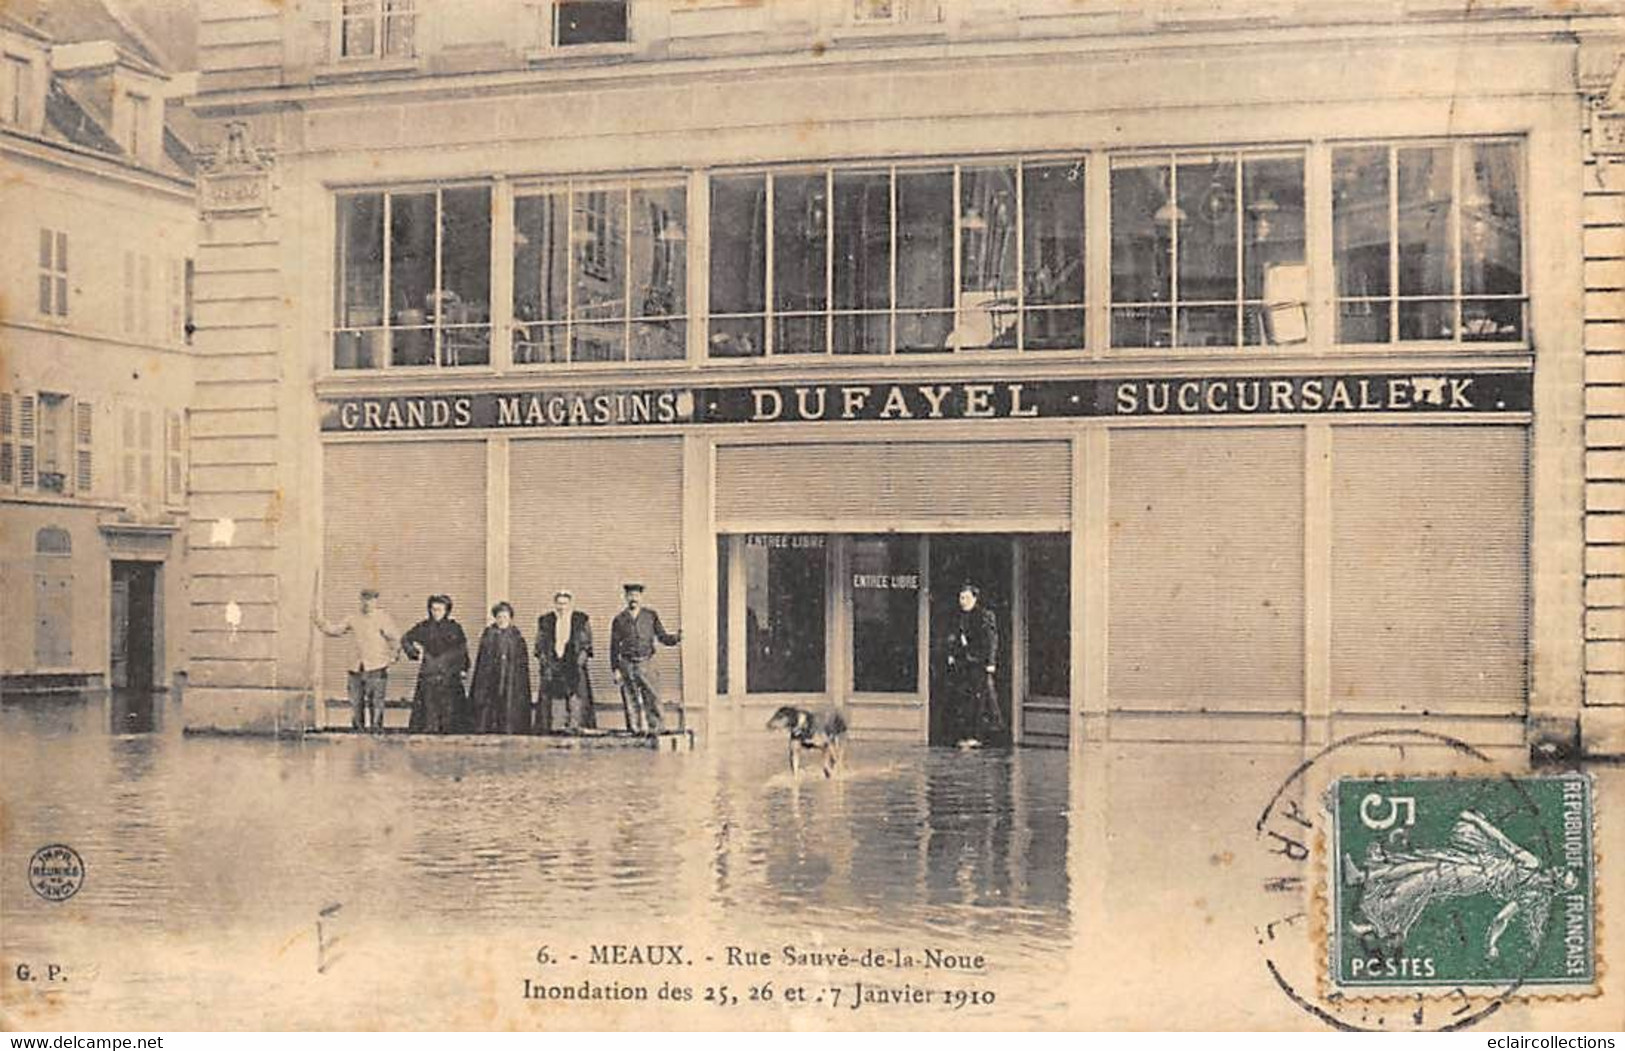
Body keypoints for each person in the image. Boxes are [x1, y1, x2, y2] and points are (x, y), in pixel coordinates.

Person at [314, 587, 401, 732]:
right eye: (364, 599)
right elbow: (335, 630)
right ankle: (358, 731)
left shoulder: (383, 618)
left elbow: (395, 639)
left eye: (371, 600)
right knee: (356, 702)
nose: (367, 603)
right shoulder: (352, 618)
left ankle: (376, 731)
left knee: (376, 702)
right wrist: (320, 622)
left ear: (376, 601)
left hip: (377, 666)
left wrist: (394, 656)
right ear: (360, 600)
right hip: (356, 667)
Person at [609, 583, 681, 734]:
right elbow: (614, 646)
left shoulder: (650, 616)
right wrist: (615, 669)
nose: (633, 599)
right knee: (630, 699)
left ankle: (656, 729)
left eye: (636, 596)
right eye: (630, 596)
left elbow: (662, 637)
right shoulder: (619, 619)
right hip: (627, 664)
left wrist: (676, 638)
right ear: (625, 597)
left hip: (647, 662)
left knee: (652, 697)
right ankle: (635, 730)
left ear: (641, 597)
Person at [943, 582, 1004, 748]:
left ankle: (979, 735)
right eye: (961, 597)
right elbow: (953, 638)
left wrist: (991, 662)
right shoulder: (958, 617)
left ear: (975, 598)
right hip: (963, 664)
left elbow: (992, 640)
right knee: (964, 699)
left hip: (979, 664)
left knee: (980, 701)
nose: (962, 601)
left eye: (966, 597)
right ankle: (967, 734)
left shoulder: (985, 615)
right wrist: (952, 655)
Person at [401, 594, 469, 734]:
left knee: (451, 707)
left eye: (439, 609)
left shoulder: (454, 628)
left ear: (446, 611)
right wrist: (413, 652)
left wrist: (464, 668)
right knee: (428, 705)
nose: (436, 613)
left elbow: (462, 649)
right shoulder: (424, 627)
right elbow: (406, 638)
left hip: (449, 672)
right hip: (430, 672)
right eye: (433, 609)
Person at [536, 590, 595, 733]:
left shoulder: (581, 619)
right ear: (555, 604)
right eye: (559, 603)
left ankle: (576, 725)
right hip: (554, 661)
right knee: (556, 694)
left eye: (565, 604)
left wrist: (580, 662)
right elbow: (540, 645)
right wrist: (546, 663)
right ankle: (557, 726)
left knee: (575, 693)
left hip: (573, 661)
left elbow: (587, 644)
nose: (562, 607)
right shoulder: (546, 620)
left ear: (570, 604)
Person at [470, 601, 531, 735]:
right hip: (491, 676)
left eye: (505, 617)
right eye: (499, 617)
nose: (502, 620)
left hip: (510, 677)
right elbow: (482, 660)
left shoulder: (517, 637)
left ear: (510, 618)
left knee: (509, 700)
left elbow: (521, 662)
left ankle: (509, 727)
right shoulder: (488, 635)